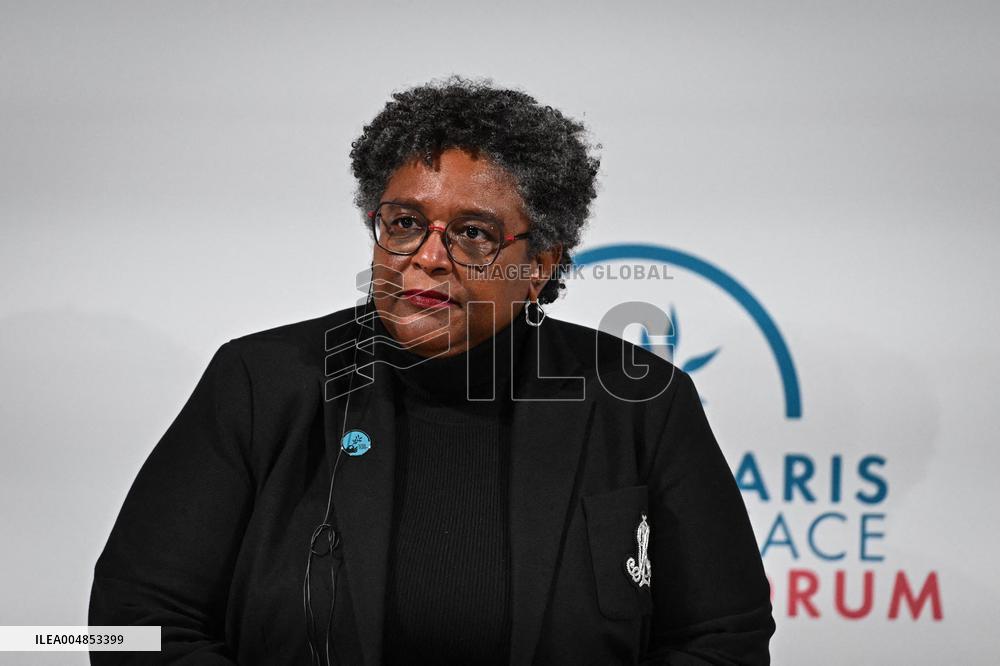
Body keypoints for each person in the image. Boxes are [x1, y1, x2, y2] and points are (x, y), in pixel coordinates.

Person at [90, 76, 775, 665]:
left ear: (539, 267)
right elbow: (131, 625)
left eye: (473, 233)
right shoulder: (260, 383)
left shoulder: (639, 400)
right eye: (404, 223)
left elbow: (724, 639)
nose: (427, 256)